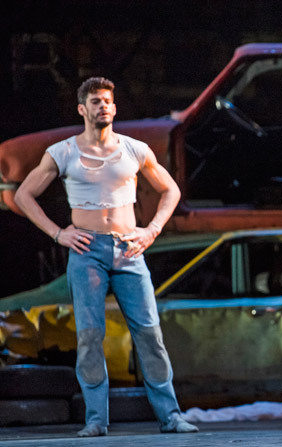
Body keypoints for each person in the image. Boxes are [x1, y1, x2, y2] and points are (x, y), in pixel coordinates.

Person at [14, 77, 198, 437]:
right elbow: (23, 195)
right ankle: (96, 419)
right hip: (88, 253)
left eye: (108, 102)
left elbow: (170, 190)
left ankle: (171, 416)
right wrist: (58, 232)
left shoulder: (133, 149)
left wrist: (152, 230)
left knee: (149, 334)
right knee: (90, 335)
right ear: (82, 109)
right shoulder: (63, 151)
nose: (103, 107)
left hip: (129, 249)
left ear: (115, 108)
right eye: (96, 102)